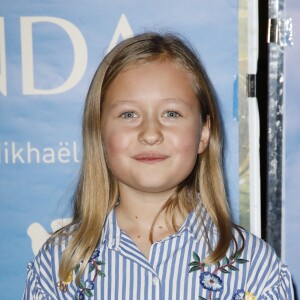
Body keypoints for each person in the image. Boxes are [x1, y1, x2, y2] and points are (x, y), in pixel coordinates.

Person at [23, 32, 294, 300]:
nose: (150, 133)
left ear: (203, 133)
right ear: (99, 133)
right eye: (129, 114)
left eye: (171, 113)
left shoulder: (256, 272)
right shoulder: (57, 267)